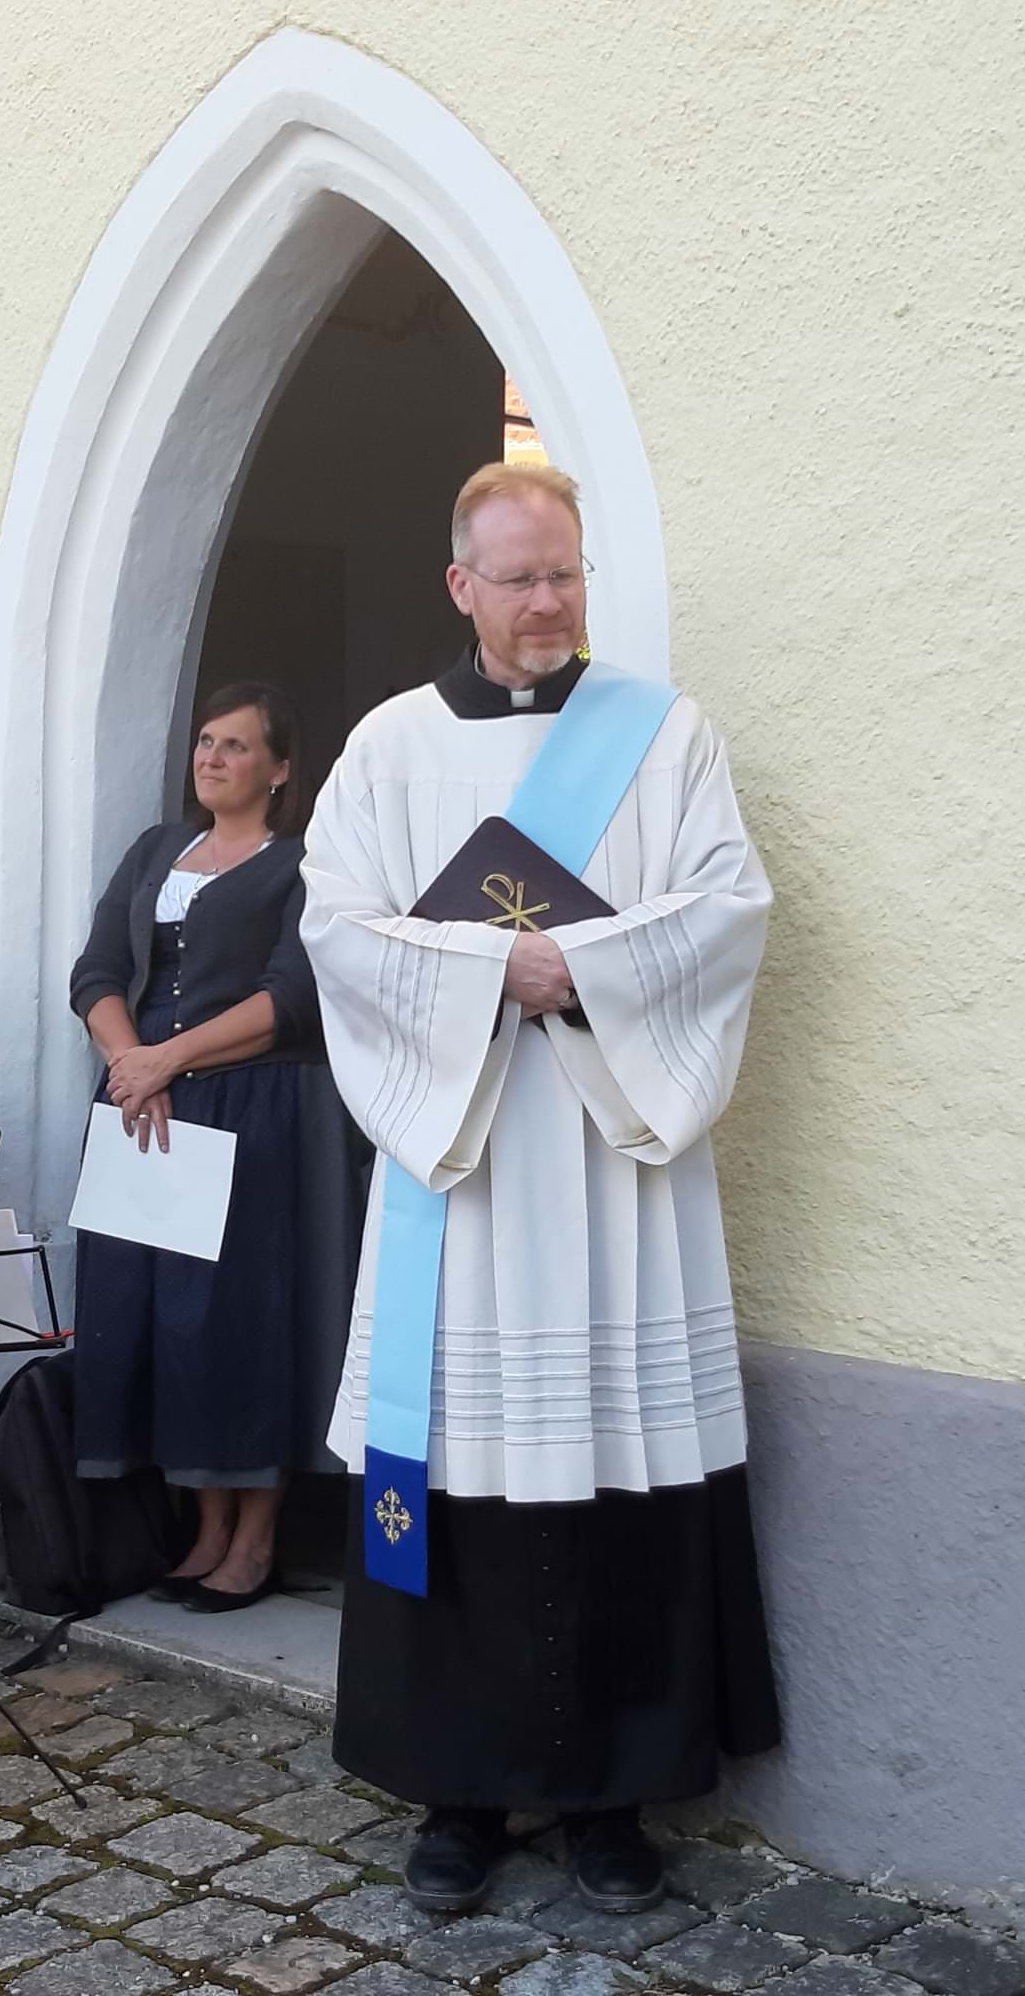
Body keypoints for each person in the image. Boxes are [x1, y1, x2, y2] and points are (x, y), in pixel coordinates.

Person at [300, 462, 780, 1915]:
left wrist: (587, 967)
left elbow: (729, 907)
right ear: (462, 586)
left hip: (608, 1162)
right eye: (518, 578)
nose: (548, 601)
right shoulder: (388, 747)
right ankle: (457, 1796)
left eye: (564, 573)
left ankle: (610, 1800)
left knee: (613, 1463)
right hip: (466, 1173)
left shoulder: (665, 736)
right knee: (458, 1471)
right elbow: (337, 930)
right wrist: (488, 967)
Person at [69, 683, 361, 1612]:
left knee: (242, 1320)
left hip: (255, 1106)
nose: (212, 757)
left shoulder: (304, 865)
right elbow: (96, 972)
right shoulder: (154, 851)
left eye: (236, 746)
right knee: (162, 1317)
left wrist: (170, 1058)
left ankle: (256, 1538)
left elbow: (292, 998)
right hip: (145, 1106)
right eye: (205, 741)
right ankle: (203, 1528)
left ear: (279, 770)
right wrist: (132, 1063)